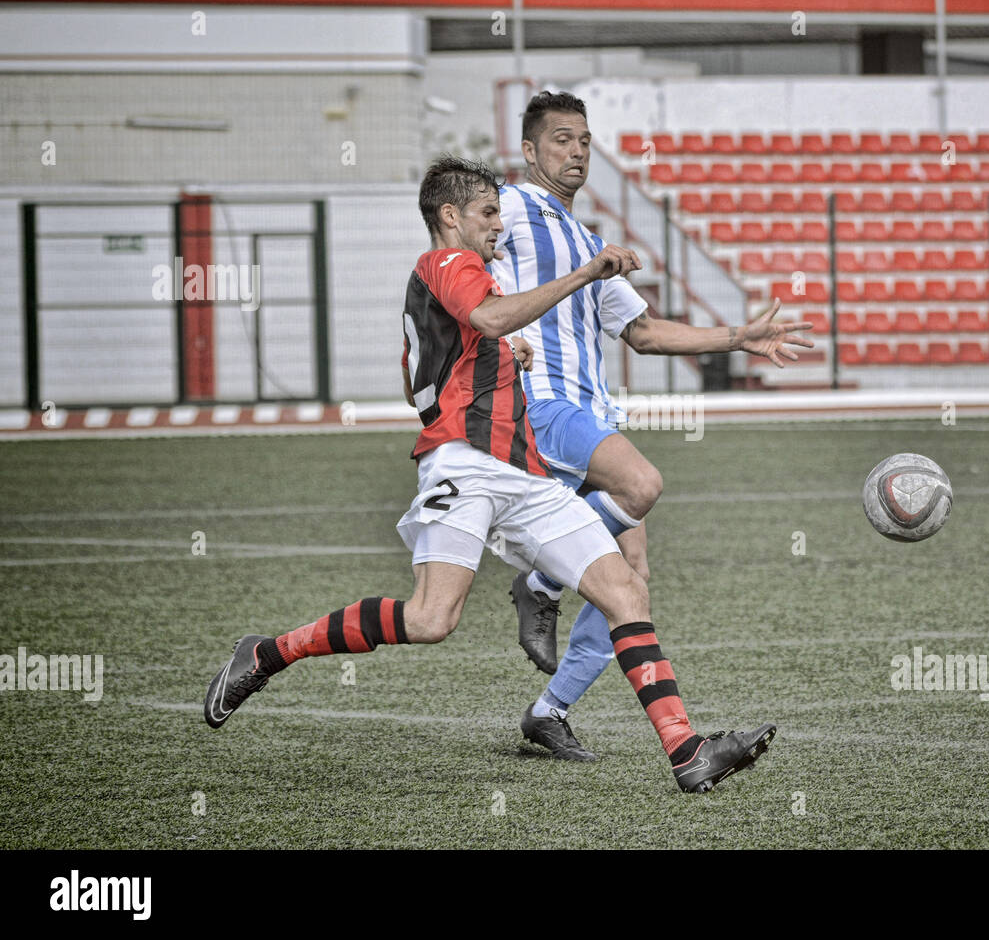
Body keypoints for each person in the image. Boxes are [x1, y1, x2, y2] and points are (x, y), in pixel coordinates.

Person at [203, 155, 776, 794]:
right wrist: (584, 274)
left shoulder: (467, 280)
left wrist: (508, 355)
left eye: (500, 211)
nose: (498, 223)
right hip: (465, 466)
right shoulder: (448, 263)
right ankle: (267, 653)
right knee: (430, 620)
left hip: (523, 473)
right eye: (486, 211)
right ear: (450, 216)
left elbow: (465, 349)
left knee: (625, 593)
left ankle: (686, 751)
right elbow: (491, 318)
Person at [492, 91, 812, 759]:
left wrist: (737, 338)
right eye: (560, 139)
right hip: (542, 406)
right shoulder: (512, 208)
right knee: (639, 483)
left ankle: (547, 713)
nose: (576, 150)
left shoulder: (586, 241)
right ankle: (541, 583)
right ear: (529, 151)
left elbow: (641, 331)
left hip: (589, 410)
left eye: (583, 139)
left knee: (630, 583)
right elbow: (465, 260)